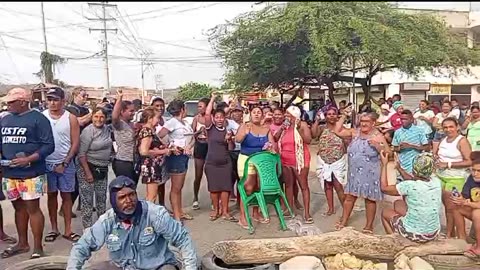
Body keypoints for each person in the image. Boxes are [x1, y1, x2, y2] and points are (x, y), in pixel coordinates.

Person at [66, 176, 198, 270]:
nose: (129, 200)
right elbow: (81, 247)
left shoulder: (155, 214)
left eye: (131, 195)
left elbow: (183, 239)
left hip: (158, 266)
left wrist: (191, 268)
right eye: (122, 197)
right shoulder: (107, 220)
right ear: (113, 201)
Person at [0, 87, 55, 259]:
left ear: (23, 102)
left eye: (11, 102)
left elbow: (49, 145)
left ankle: (38, 247)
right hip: (9, 173)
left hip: (32, 173)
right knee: (18, 207)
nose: (7, 105)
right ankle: (22, 243)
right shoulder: (5, 119)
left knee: (33, 208)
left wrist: (29, 158)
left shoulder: (39, 119)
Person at [334, 112, 391, 233]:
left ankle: (369, 226)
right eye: (362, 121)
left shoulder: (378, 136)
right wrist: (344, 116)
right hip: (354, 173)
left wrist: (378, 146)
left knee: (369, 199)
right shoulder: (355, 133)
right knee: (350, 197)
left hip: (370, 173)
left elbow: (389, 154)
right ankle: (344, 221)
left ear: (373, 123)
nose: (363, 124)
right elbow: (337, 131)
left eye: (367, 121)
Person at [43, 87, 81, 244]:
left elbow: (75, 142)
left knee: (66, 196)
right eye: (49, 99)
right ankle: (53, 229)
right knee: (51, 196)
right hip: (46, 164)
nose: (52, 103)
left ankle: (68, 230)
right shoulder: (42, 117)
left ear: (63, 101)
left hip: (66, 164)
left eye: (55, 99)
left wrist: (66, 162)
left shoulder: (70, 118)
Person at [380, 151, 442, 243]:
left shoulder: (409, 186)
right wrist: (399, 168)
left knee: (385, 213)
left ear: (413, 170)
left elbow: (384, 188)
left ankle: (395, 242)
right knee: (398, 203)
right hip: (433, 233)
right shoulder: (436, 181)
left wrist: (384, 164)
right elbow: (415, 179)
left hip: (414, 233)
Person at [235, 106, 276, 229]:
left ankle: (255, 213)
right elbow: (237, 140)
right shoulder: (245, 126)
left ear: (262, 115)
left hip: (261, 162)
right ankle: (242, 216)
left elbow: (273, 145)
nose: (257, 114)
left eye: (259, 112)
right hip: (246, 160)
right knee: (248, 187)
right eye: (254, 112)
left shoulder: (266, 129)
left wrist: (270, 147)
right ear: (250, 115)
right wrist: (244, 133)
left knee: (258, 187)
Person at [435, 117, 472, 238]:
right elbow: (438, 155)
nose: (448, 129)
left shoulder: (462, 141)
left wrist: (448, 164)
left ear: (457, 127)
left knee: (453, 207)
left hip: (457, 177)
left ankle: (452, 234)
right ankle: (451, 232)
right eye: (445, 127)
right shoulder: (443, 140)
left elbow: (469, 161)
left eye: (451, 126)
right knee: (447, 207)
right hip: (441, 176)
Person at [158, 100, 195, 222]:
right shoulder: (172, 122)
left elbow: (191, 137)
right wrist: (170, 147)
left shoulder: (184, 122)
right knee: (176, 188)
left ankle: (179, 211)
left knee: (180, 187)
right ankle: (177, 215)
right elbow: (159, 136)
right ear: (181, 109)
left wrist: (189, 146)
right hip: (176, 157)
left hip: (185, 155)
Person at [275, 106, 312, 223]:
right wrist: (281, 128)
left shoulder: (302, 124)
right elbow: (275, 138)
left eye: (288, 115)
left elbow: (308, 140)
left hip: (300, 160)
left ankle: (306, 213)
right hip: (286, 160)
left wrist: (299, 127)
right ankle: (290, 209)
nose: (286, 117)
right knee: (289, 186)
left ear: (295, 115)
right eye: (285, 115)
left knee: (303, 186)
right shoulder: (285, 128)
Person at [77, 108, 113, 229]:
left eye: (102, 117)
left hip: (102, 169)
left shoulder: (107, 129)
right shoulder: (88, 131)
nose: (99, 119)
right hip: (87, 168)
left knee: (101, 198)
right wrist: (88, 173)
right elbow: (81, 154)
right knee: (87, 201)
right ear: (92, 117)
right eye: (96, 116)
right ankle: (87, 229)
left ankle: (101, 227)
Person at [204, 93, 237, 221]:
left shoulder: (228, 131)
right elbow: (207, 114)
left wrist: (229, 140)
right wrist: (212, 98)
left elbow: (232, 148)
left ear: (225, 119)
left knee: (225, 188)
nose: (219, 119)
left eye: (221, 117)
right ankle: (216, 210)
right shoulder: (210, 128)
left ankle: (225, 211)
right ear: (213, 118)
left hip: (225, 163)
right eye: (216, 117)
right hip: (211, 163)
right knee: (213, 188)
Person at [312, 107, 346, 216]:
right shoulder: (322, 128)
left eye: (333, 114)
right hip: (324, 161)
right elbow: (314, 134)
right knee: (327, 185)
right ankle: (331, 209)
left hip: (337, 162)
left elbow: (347, 143)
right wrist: (317, 121)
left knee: (338, 185)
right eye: (329, 114)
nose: (331, 116)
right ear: (325, 116)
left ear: (337, 116)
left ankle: (346, 209)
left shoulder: (341, 128)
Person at [136, 108, 171, 202]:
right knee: (152, 196)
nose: (158, 120)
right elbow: (144, 151)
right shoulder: (147, 131)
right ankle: (149, 216)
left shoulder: (150, 130)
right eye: (157, 118)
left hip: (153, 165)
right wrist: (163, 151)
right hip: (151, 166)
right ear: (150, 118)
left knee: (151, 195)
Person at [451, 155, 480, 258]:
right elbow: (465, 195)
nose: (475, 174)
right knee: (456, 207)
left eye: (478, 171)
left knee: (477, 213)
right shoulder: (471, 178)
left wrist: (467, 203)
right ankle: (462, 240)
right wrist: (460, 199)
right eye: (473, 170)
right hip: (474, 209)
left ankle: (479, 248)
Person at [392, 110, 429, 177]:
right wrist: (399, 148)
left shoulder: (419, 130)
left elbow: (426, 147)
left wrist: (411, 146)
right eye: (401, 119)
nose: (403, 121)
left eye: (405, 119)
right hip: (402, 165)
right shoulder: (397, 132)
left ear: (411, 120)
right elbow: (394, 148)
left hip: (416, 166)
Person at [111, 91, 138, 183]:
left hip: (133, 161)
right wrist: (119, 99)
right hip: (123, 162)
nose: (134, 113)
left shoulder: (131, 124)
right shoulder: (119, 125)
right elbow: (114, 117)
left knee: (132, 189)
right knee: (125, 189)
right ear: (122, 111)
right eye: (131, 111)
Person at [191, 98, 210, 211]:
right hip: (199, 146)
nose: (199, 108)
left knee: (211, 174)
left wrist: (207, 132)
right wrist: (199, 132)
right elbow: (192, 133)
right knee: (198, 175)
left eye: (201, 106)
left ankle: (214, 200)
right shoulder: (196, 119)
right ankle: (195, 198)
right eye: (198, 106)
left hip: (209, 147)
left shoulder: (211, 118)